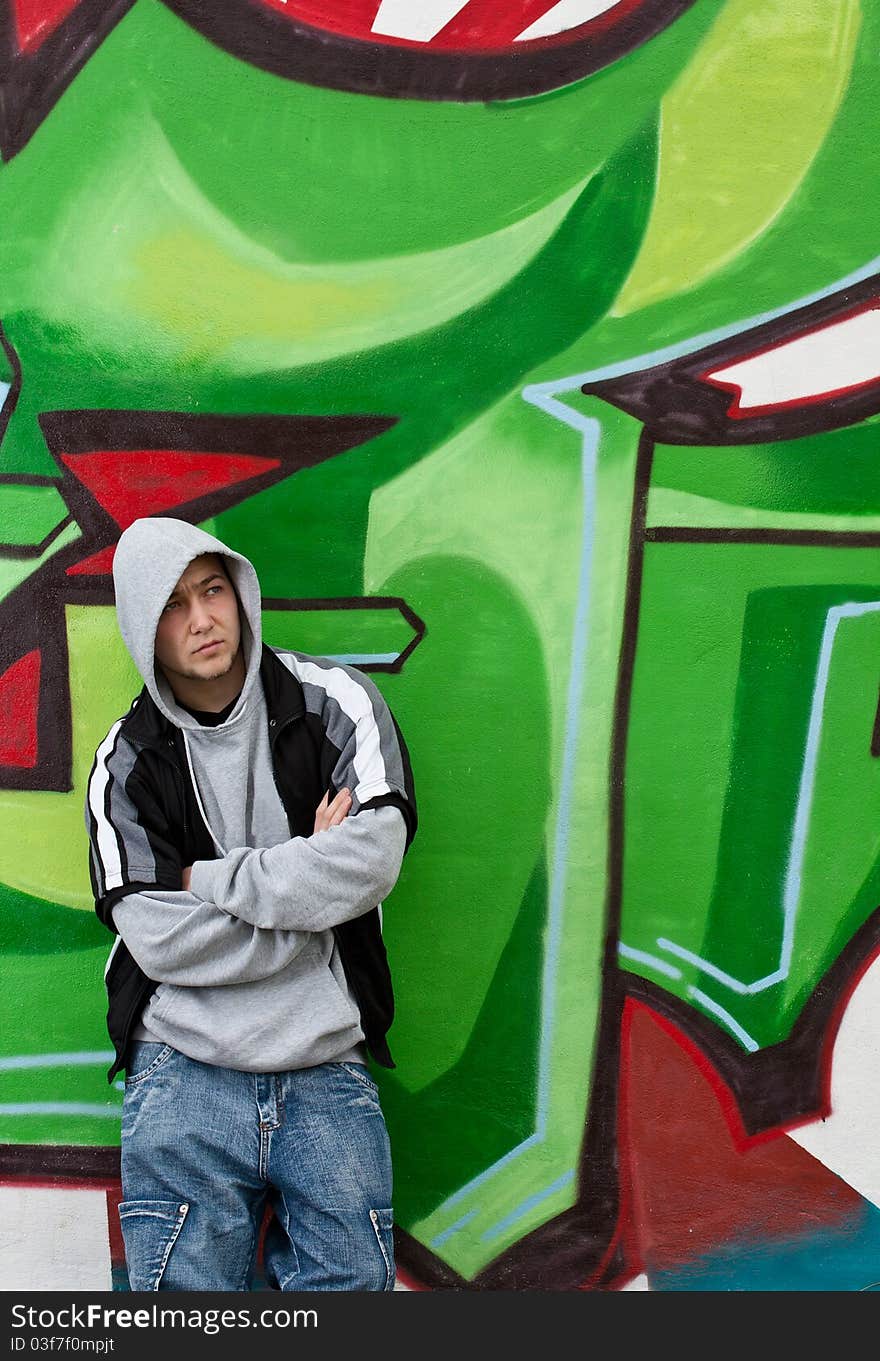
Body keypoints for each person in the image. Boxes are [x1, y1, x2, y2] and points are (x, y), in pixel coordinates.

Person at [84, 516, 417, 1292]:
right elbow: (160, 943)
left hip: (324, 1063)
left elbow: (371, 860)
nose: (202, 618)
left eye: (212, 590)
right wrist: (305, 893)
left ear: (239, 593)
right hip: (184, 1069)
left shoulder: (337, 704)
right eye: (173, 604)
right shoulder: (125, 764)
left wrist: (205, 879)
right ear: (143, 625)